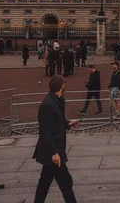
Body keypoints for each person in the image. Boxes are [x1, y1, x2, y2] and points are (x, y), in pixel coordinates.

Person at [33, 75, 79, 203]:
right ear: (61, 86)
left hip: (55, 150)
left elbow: (56, 122)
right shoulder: (48, 104)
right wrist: (54, 153)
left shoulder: (58, 100)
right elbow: (45, 131)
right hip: (53, 152)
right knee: (65, 183)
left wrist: (67, 123)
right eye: (65, 83)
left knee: (45, 182)